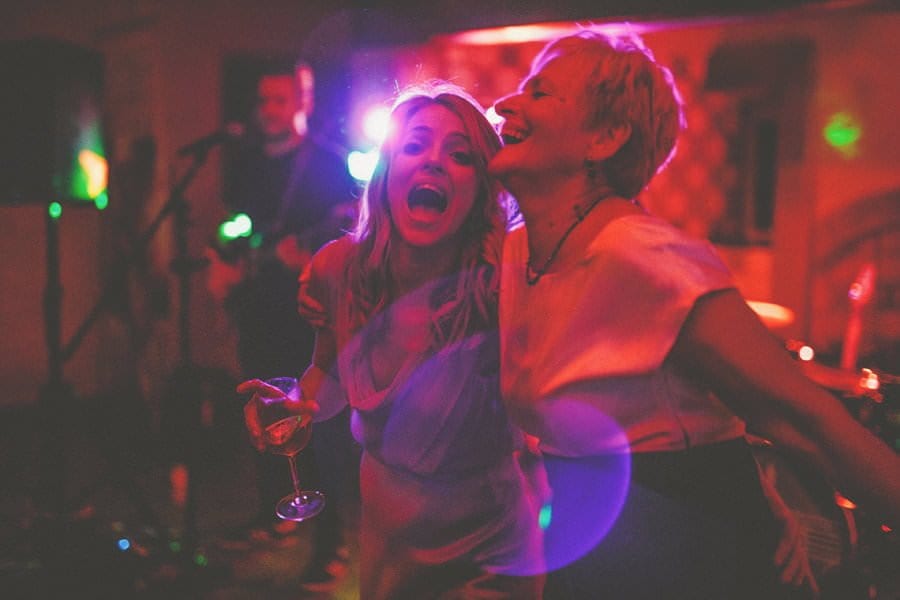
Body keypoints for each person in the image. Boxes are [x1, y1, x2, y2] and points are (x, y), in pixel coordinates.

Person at [489, 30, 900, 599]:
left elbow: (804, 419)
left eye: (540, 93)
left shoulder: (644, 258)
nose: (507, 103)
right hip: (595, 549)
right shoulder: (513, 253)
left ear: (605, 138)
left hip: (692, 549)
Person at [241, 83, 545, 599]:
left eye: (460, 154)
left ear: (481, 189)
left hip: (490, 546)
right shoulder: (337, 271)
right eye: (414, 146)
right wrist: (297, 404)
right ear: (386, 174)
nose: (432, 163)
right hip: (386, 543)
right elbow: (330, 376)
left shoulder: (503, 282)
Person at [205, 59, 359, 588]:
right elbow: (233, 228)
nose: (269, 110)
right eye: (263, 100)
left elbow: (351, 233)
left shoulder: (326, 163)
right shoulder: (247, 164)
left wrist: (309, 252)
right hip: (258, 308)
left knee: (320, 424)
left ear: (302, 102)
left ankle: (330, 542)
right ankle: (275, 510)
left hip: (308, 317)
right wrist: (224, 260)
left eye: (280, 99)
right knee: (263, 409)